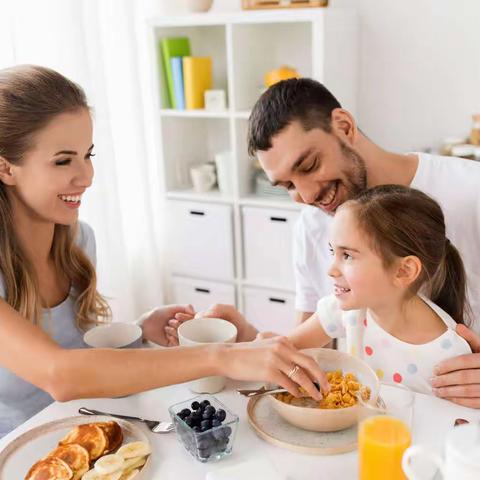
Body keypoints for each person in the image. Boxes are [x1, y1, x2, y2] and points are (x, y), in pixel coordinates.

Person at [0, 65, 328, 438]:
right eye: (63, 160)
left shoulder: (77, 242)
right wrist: (225, 356)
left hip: (82, 434)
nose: (86, 176)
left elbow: (79, 356)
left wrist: (138, 333)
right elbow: (60, 374)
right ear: (6, 167)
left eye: (88, 155)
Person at [167, 78, 480, 407]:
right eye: (287, 184)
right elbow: (311, 353)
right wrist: (247, 339)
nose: (306, 195)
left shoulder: (469, 192)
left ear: (344, 127)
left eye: (308, 165)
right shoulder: (313, 224)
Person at [168, 185, 473, 395]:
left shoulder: (450, 356)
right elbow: (283, 351)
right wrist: (240, 337)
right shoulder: (345, 311)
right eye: (333, 252)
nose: (331, 269)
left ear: (404, 270)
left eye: (348, 256)